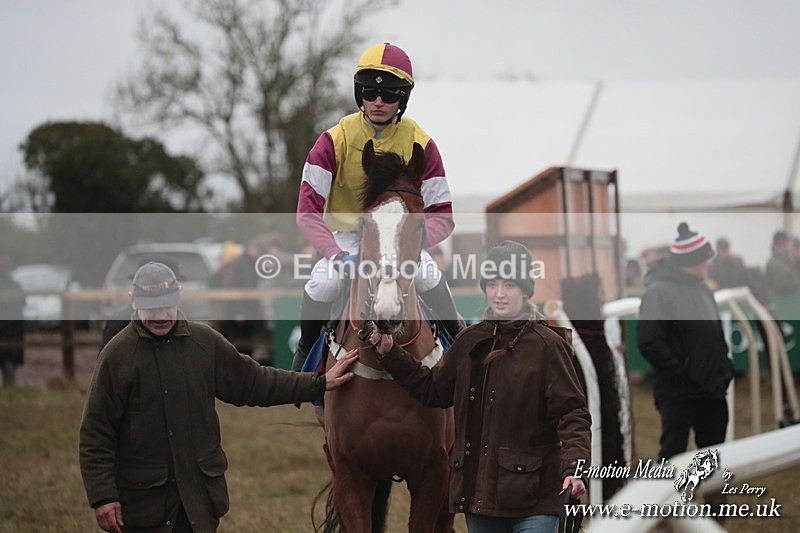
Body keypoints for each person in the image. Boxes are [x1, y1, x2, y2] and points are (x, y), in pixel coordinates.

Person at [79, 262, 357, 533]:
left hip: (198, 506)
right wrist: (103, 496)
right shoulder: (116, 356)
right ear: (132, 300)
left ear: (179, 295)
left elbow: (255, 382)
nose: (161, 314)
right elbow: (95, 433)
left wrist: (318, 383)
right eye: (151, 307)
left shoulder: (204, 343)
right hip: (143, 507)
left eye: (167, 304)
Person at [368, 240, 591, 532]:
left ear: (525, 291)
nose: (499, 294)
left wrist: (575, 470)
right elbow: (432, 389)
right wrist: (390, 353)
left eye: (509, 285)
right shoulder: (469, 342)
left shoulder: (549, 347)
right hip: (479, 496)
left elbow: (572, 414)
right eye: (493, 284)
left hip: (536, 497)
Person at [293, 42, 462, 371]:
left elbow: (443, 215)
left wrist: (408, 244)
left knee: (428, 276)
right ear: (360, 93)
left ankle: (458, 346)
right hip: (345, 237)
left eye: (390, 94)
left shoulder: (422, 143)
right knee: (323, 283)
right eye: (370, 92)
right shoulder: (332, 140)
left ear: (404, 98)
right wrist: (334, 254)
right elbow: (307, 213)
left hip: (401, 238)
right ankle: (305, 355)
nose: (379, 102)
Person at [637, 223, 734, 461]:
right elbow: (649, 341)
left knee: (714, 457)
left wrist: (724, 370)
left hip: (712, 391)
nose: (709, 263)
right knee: (672, 455)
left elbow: (717, 335)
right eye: (705, 258)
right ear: (692, 260)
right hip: (678, 393)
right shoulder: (658, 292)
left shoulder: (704, 290)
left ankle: (715, 499)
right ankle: (664, 499)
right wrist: (683, 372)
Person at [0, 256, 25, 387]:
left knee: (8, 360)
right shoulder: (15, 285)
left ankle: (9, 387)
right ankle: (8, 386)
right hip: (10, 329)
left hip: (11, 329)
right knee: (8, 360)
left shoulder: (15, 285)